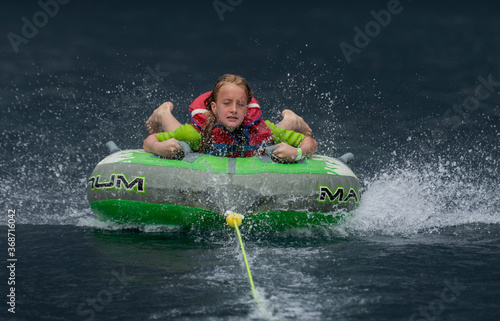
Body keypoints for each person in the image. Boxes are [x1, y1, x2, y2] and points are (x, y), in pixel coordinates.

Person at [143, 74, 316, 162]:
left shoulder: (261, 131)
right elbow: (149, 142)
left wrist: (297, 152)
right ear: (214, 107)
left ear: (247, 108)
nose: (234, 109)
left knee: (276, 132)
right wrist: (159, 147)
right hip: (203, 130)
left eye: (240, 104)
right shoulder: (197, 134)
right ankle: (163, 113)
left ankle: (291, 120)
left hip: (256, 131)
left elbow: (310, 143)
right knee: (178, 134)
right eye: (227, 103)